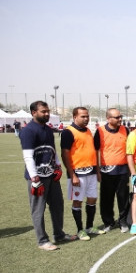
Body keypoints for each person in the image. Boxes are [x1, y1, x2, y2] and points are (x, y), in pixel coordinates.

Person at [19, 101, 77, 250]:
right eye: (43, 111)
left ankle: (59, 234)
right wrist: (34, 178)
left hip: (52, 175)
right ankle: (42, 241)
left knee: (57, 205)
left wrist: (57, 166)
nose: (47, 114)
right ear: (33, 112)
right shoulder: (28, 131)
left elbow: (52, 150)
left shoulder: (48, 129)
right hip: (38, 178)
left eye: (47, 111)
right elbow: (28, 156)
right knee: (38, 209)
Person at [61, 107, 105, 240]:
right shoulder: (68, 132)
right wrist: (72, 174)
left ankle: (89, 226)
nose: (86, 119)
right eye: (83, 116)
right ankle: (80, 230)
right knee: (78, 201)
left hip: (91, 172)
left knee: (92, 199)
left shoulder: (88, 131)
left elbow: (91, 152)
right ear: (75, 117)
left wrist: (97, 171)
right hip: (78, 173)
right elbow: (65, 154)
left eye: (87, 116)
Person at [94, 108, 130, 233]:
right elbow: (96, 151)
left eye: (120, 116)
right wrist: (98, 171)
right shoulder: (100, 131)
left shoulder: (126, 130)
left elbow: (130, 150)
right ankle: (108, 222)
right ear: (108, 119)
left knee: (123, 198)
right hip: (107, 172)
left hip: (123, 170)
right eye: (117, 117)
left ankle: (123, 221)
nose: (120, 119)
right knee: (106, 199)